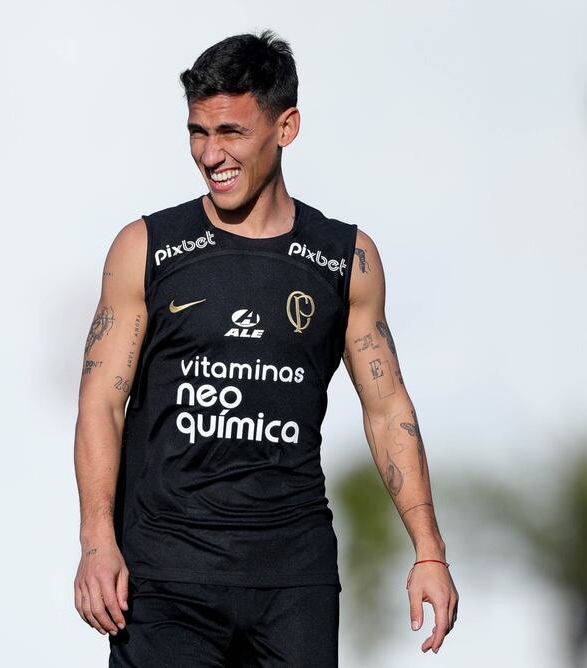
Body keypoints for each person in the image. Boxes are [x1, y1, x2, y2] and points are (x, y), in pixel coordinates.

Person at [73, 29, 458, 667]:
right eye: (198, 132)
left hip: (292, 579)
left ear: (287, 127)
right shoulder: (145, 249)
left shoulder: (345, 259)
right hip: (166, 579)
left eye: (231, 133)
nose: (210, 154)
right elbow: (99, 405)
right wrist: (95, 542)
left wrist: (428, 551)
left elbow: (387, 409)